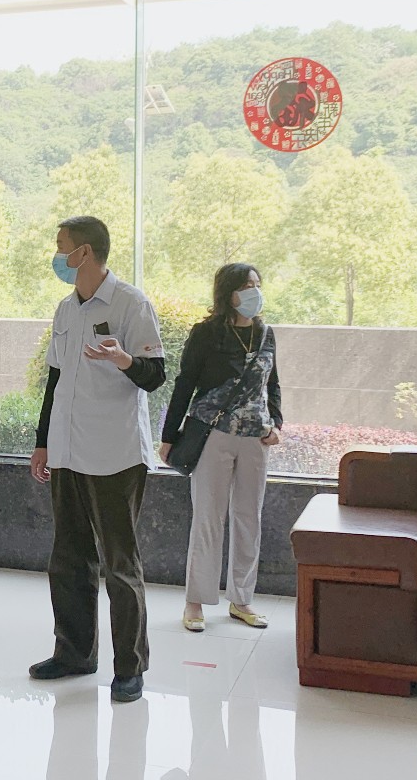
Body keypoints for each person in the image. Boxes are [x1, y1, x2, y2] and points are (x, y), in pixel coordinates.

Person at [28, 216, 165, 705]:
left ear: (84, 252)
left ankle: (130, 667)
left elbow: (155, 375)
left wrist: (124, 359)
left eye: (60, 245)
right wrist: (43, 441)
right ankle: (74, 653)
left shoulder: (131, 302)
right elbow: (55, 380)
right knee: (68, 558)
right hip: (67, 449)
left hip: (115, 453)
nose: (56, 254)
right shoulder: (66, 308)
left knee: (120, 564)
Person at [161, 263, 282, 633]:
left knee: (249, 518)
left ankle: (242, 599)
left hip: (255, 438)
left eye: (257, 284)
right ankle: (195, 601)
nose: (254, 291)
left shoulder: (266, 334)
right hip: (214, 435)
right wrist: (169, 436)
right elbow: (185, 383)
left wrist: (276, 423)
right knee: (208, 517)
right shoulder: (206, 333)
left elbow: (272, 384)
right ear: (228, 293)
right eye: (246, 285)